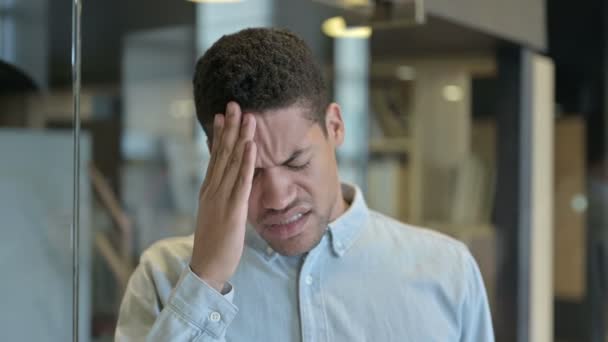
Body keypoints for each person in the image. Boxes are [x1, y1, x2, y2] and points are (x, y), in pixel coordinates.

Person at [115, 27, 494, 341]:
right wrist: (206, 281)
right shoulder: (163, 278)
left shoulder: (447, 271)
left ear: (336, 127)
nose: (278, 197)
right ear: (215, 159)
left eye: (296, 161)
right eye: (252, 172)